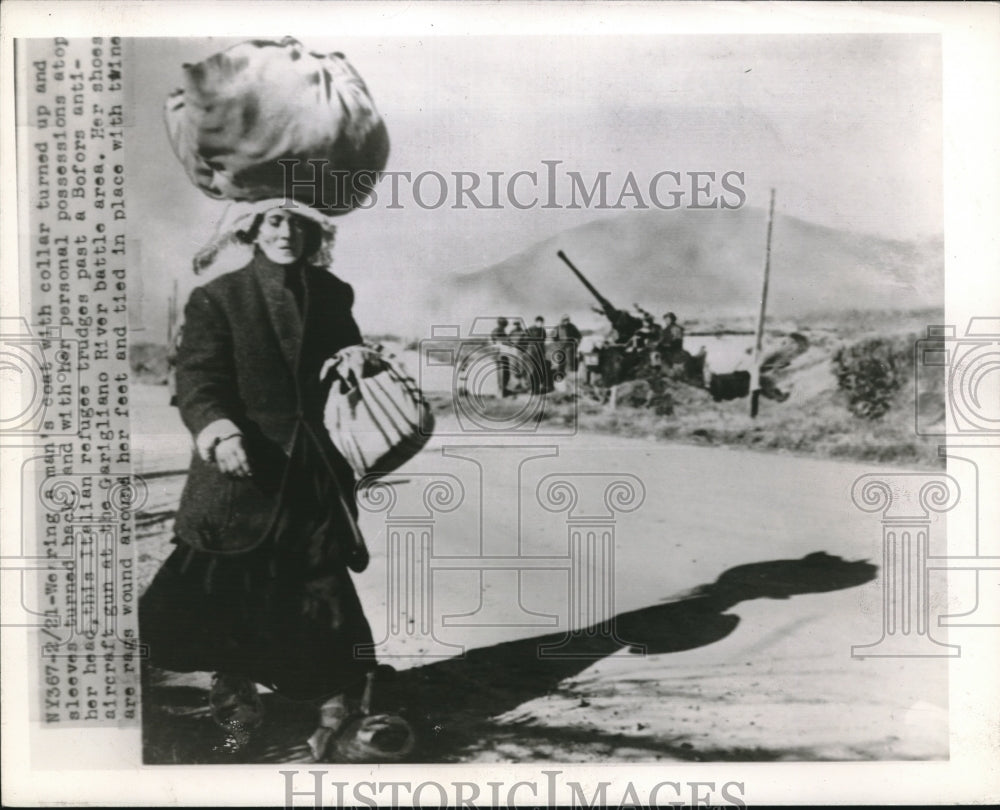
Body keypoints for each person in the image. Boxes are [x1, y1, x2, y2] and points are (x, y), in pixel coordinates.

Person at [139, 203, 377, 761]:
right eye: (274, 222)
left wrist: (354, 356)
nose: (286, 233)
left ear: (315, 232)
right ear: (250, 229)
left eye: (298, 224)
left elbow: (348, 345)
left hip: (312, 472)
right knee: (229, 597)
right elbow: (198, 377)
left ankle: (341, 714)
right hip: (238, 476)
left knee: (324, 587)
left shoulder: (332, 292)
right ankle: (236, 715)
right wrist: (219, 432)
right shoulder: (218, 298)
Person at [525, 315, 551, 394]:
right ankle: (532, 388)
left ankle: (537, 388)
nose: (541, 324)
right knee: (532, 370)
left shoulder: (543, 330)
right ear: (536, 322)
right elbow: (525, 339)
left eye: (542, 322)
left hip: (540, 352)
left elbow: (543, 341)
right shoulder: (530, 329)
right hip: (532, 352)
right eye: (539, 322)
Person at [554, 315, 583, 379]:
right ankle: (560, 375)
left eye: (567, 320)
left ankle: (571, 376)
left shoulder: (572, 327)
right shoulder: (557, 328)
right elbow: (554, 338)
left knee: (571, 361)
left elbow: (579, 336)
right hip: (561, 347)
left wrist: (577, 343)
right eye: (564, 320)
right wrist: (558, 345)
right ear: (562, 321)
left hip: (571, 347)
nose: (566, 322)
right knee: (561, 361)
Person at [490, 317, 511, 397]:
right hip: (501, 354)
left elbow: (494, 342)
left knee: (501, 373)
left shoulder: (495, 331)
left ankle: (501, 391)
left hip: (498, 354)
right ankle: (501, 392)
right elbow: (503, 342)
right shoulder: (500, 331)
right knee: (504, 373)